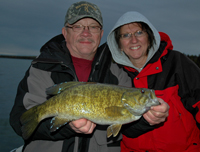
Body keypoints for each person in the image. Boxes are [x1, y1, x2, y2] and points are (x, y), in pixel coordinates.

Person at [9, 2, 169, 152]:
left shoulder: (117, 72)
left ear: (101, 34)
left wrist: (149, 119)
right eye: (78, 26)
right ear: (65, 32)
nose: (86, 33)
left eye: (93, 27)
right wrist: (68, 127)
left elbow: (129, 127)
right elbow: (19, 122)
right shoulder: (41, 68)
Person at [107, 11, 200, 152]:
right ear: (119, 44)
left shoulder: (177, 63)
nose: (133, 40)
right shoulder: (115, 75)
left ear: (149, 37)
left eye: (139, 32)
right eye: (126, 35)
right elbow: (118, 125)